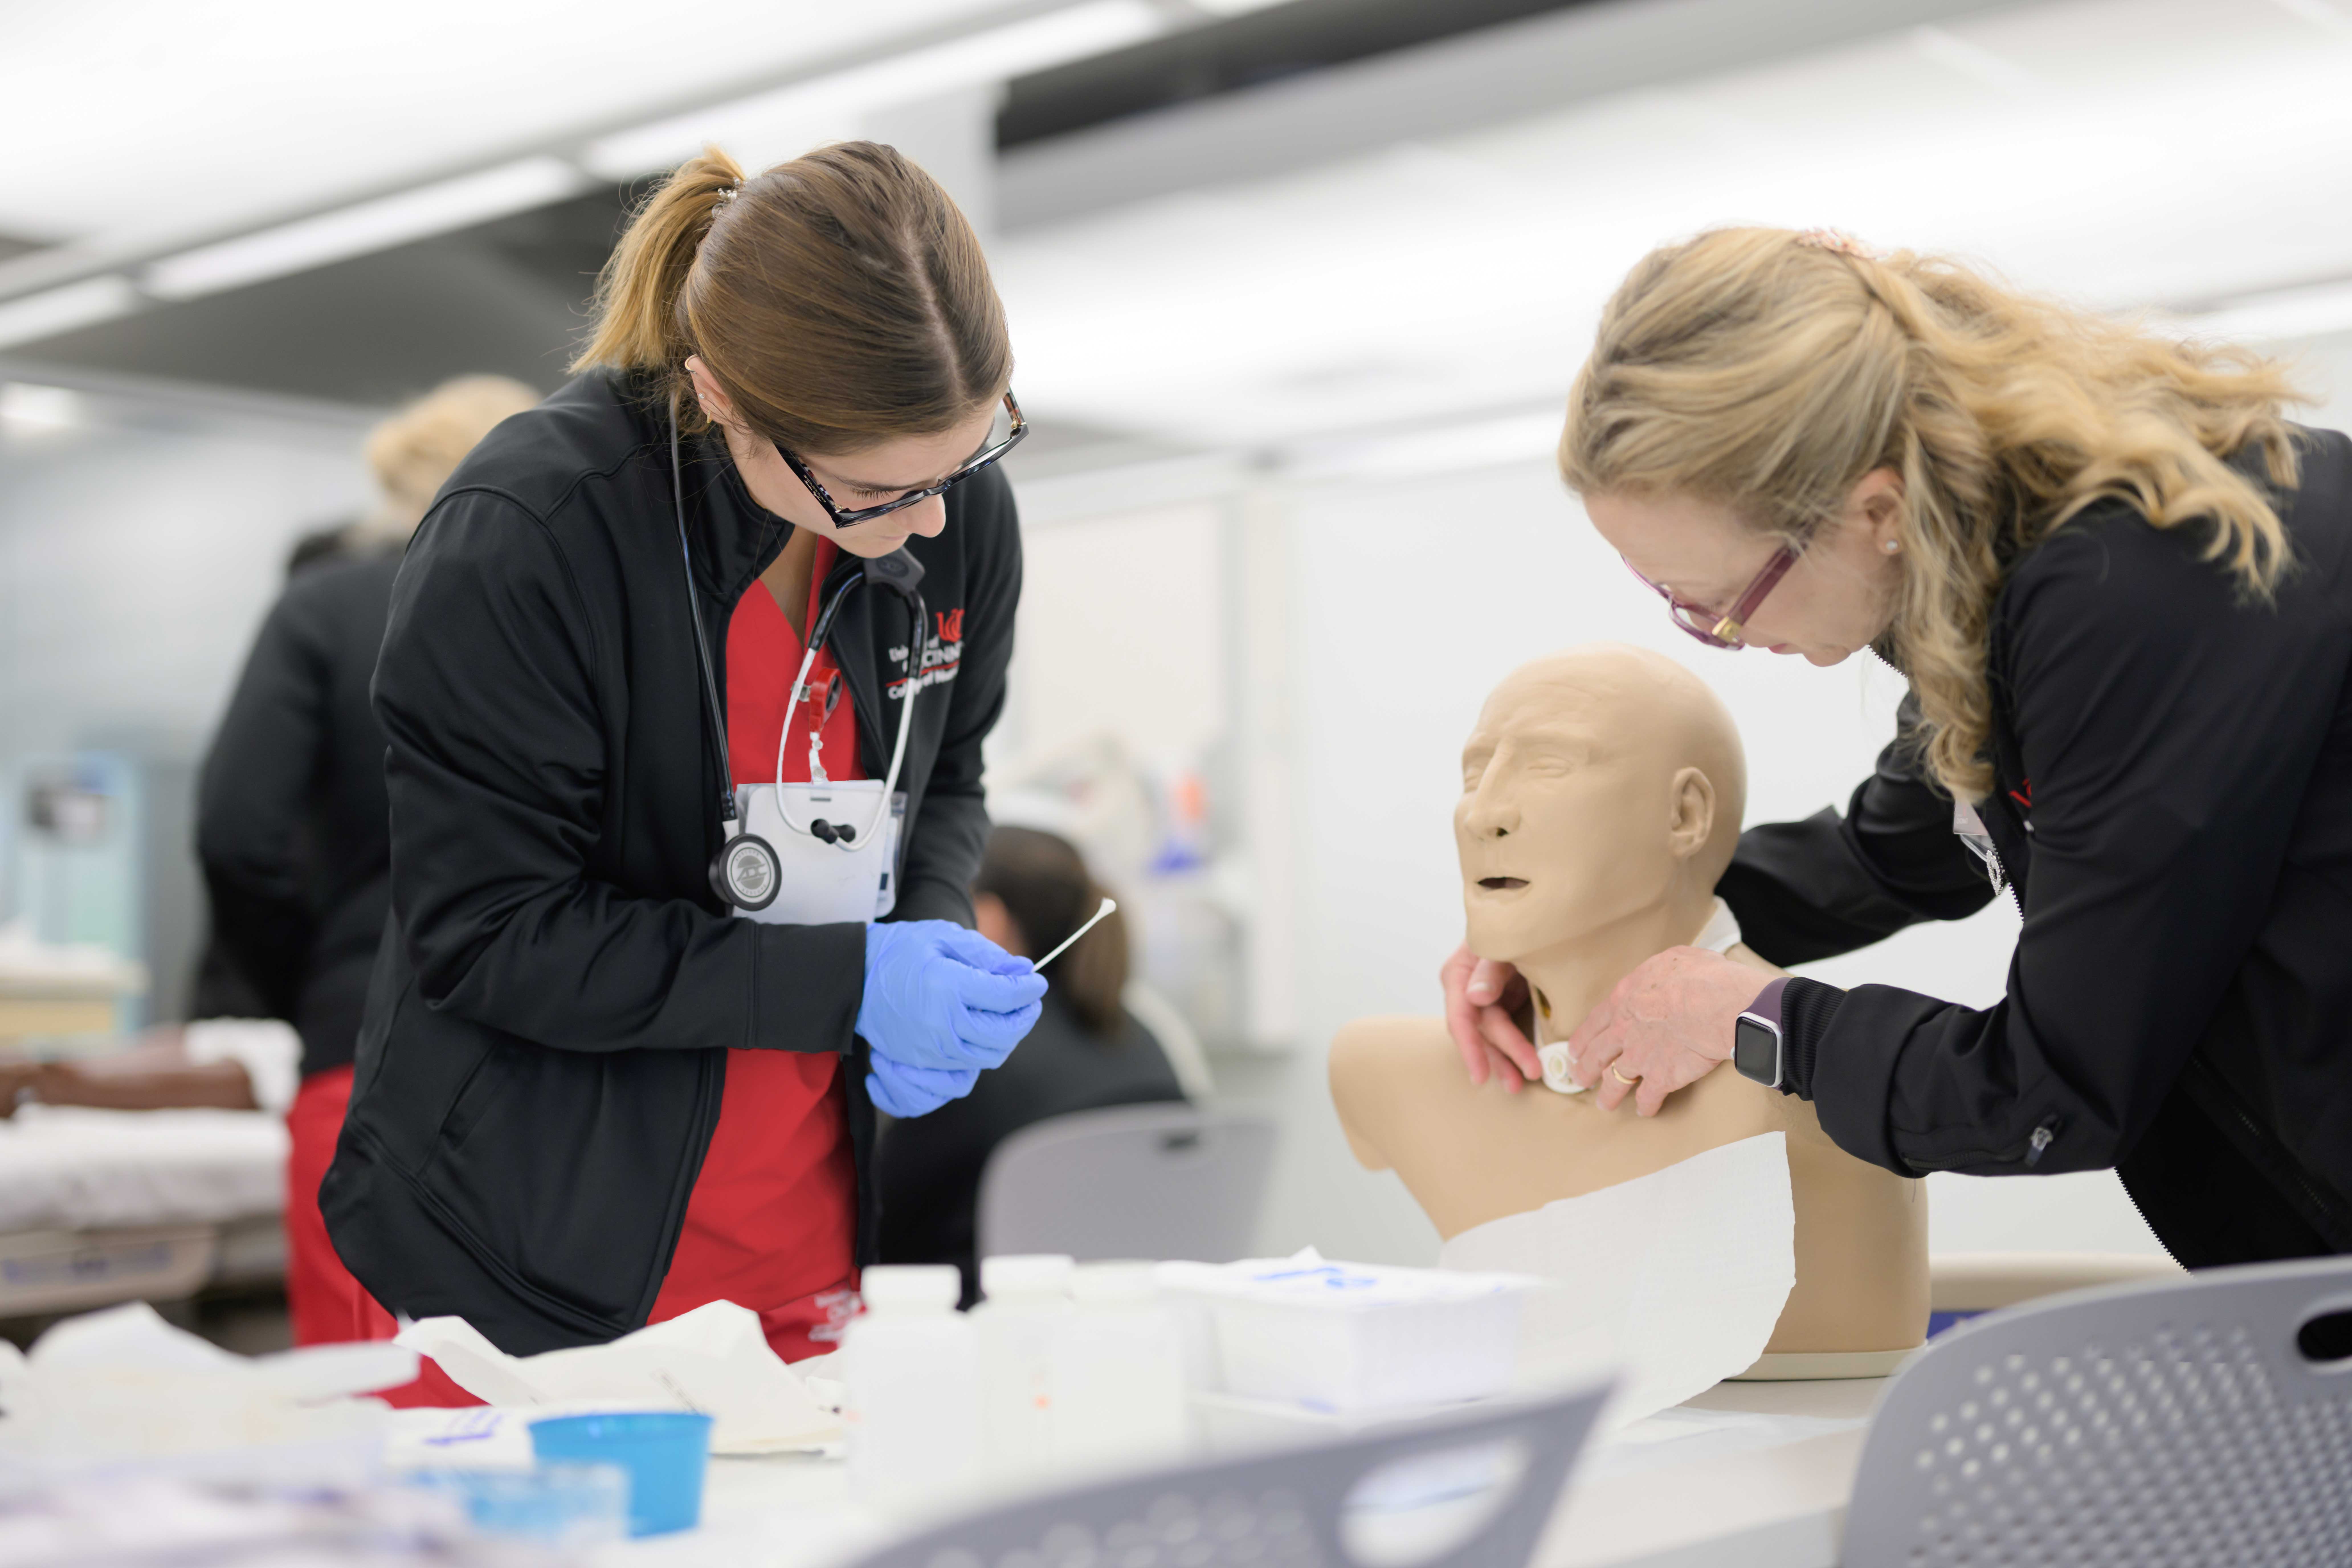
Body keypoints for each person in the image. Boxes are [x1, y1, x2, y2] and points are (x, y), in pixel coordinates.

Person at [1442, 226, 2352, 1268]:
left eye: (1714, 606)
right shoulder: (1991, 562)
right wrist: (1594, 926)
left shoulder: (2140, 590)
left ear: (1869, 508)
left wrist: (1763, 1018)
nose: (1724, 644)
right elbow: (1893, 851)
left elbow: (2051, 1090)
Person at [319, 143, 1046, 1373]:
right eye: (879, 490)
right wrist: (850, 980)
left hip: (801, 1231)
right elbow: (493, 932)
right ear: (724, 401)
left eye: (969, 457)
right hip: (518, 1258)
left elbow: (949, 775)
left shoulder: (951, 502)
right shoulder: (531, 534)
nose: (931, 521)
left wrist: (926, 941)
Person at [1335, 646, 1925, 1360]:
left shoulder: (1813, 1100)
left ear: (1685, 815)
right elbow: (1893, 848)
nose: (1481, 811)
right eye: (1474, 772)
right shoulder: (1381, 1071)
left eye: (1549, 766)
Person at [197, 374, 540, 1346]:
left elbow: (235, 829)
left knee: (364, 1398)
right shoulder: (583, 621)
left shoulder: (324, 610)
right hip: (564, 1068)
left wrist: (312, 976)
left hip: (364, 1052)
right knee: (551, 1388)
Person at [876, 826, 1185, 1302]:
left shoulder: (979, 1052)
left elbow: (878, 1220)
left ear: (991, 919)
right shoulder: (1146, 1039)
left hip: (976, 1331)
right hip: (1128, 1321)